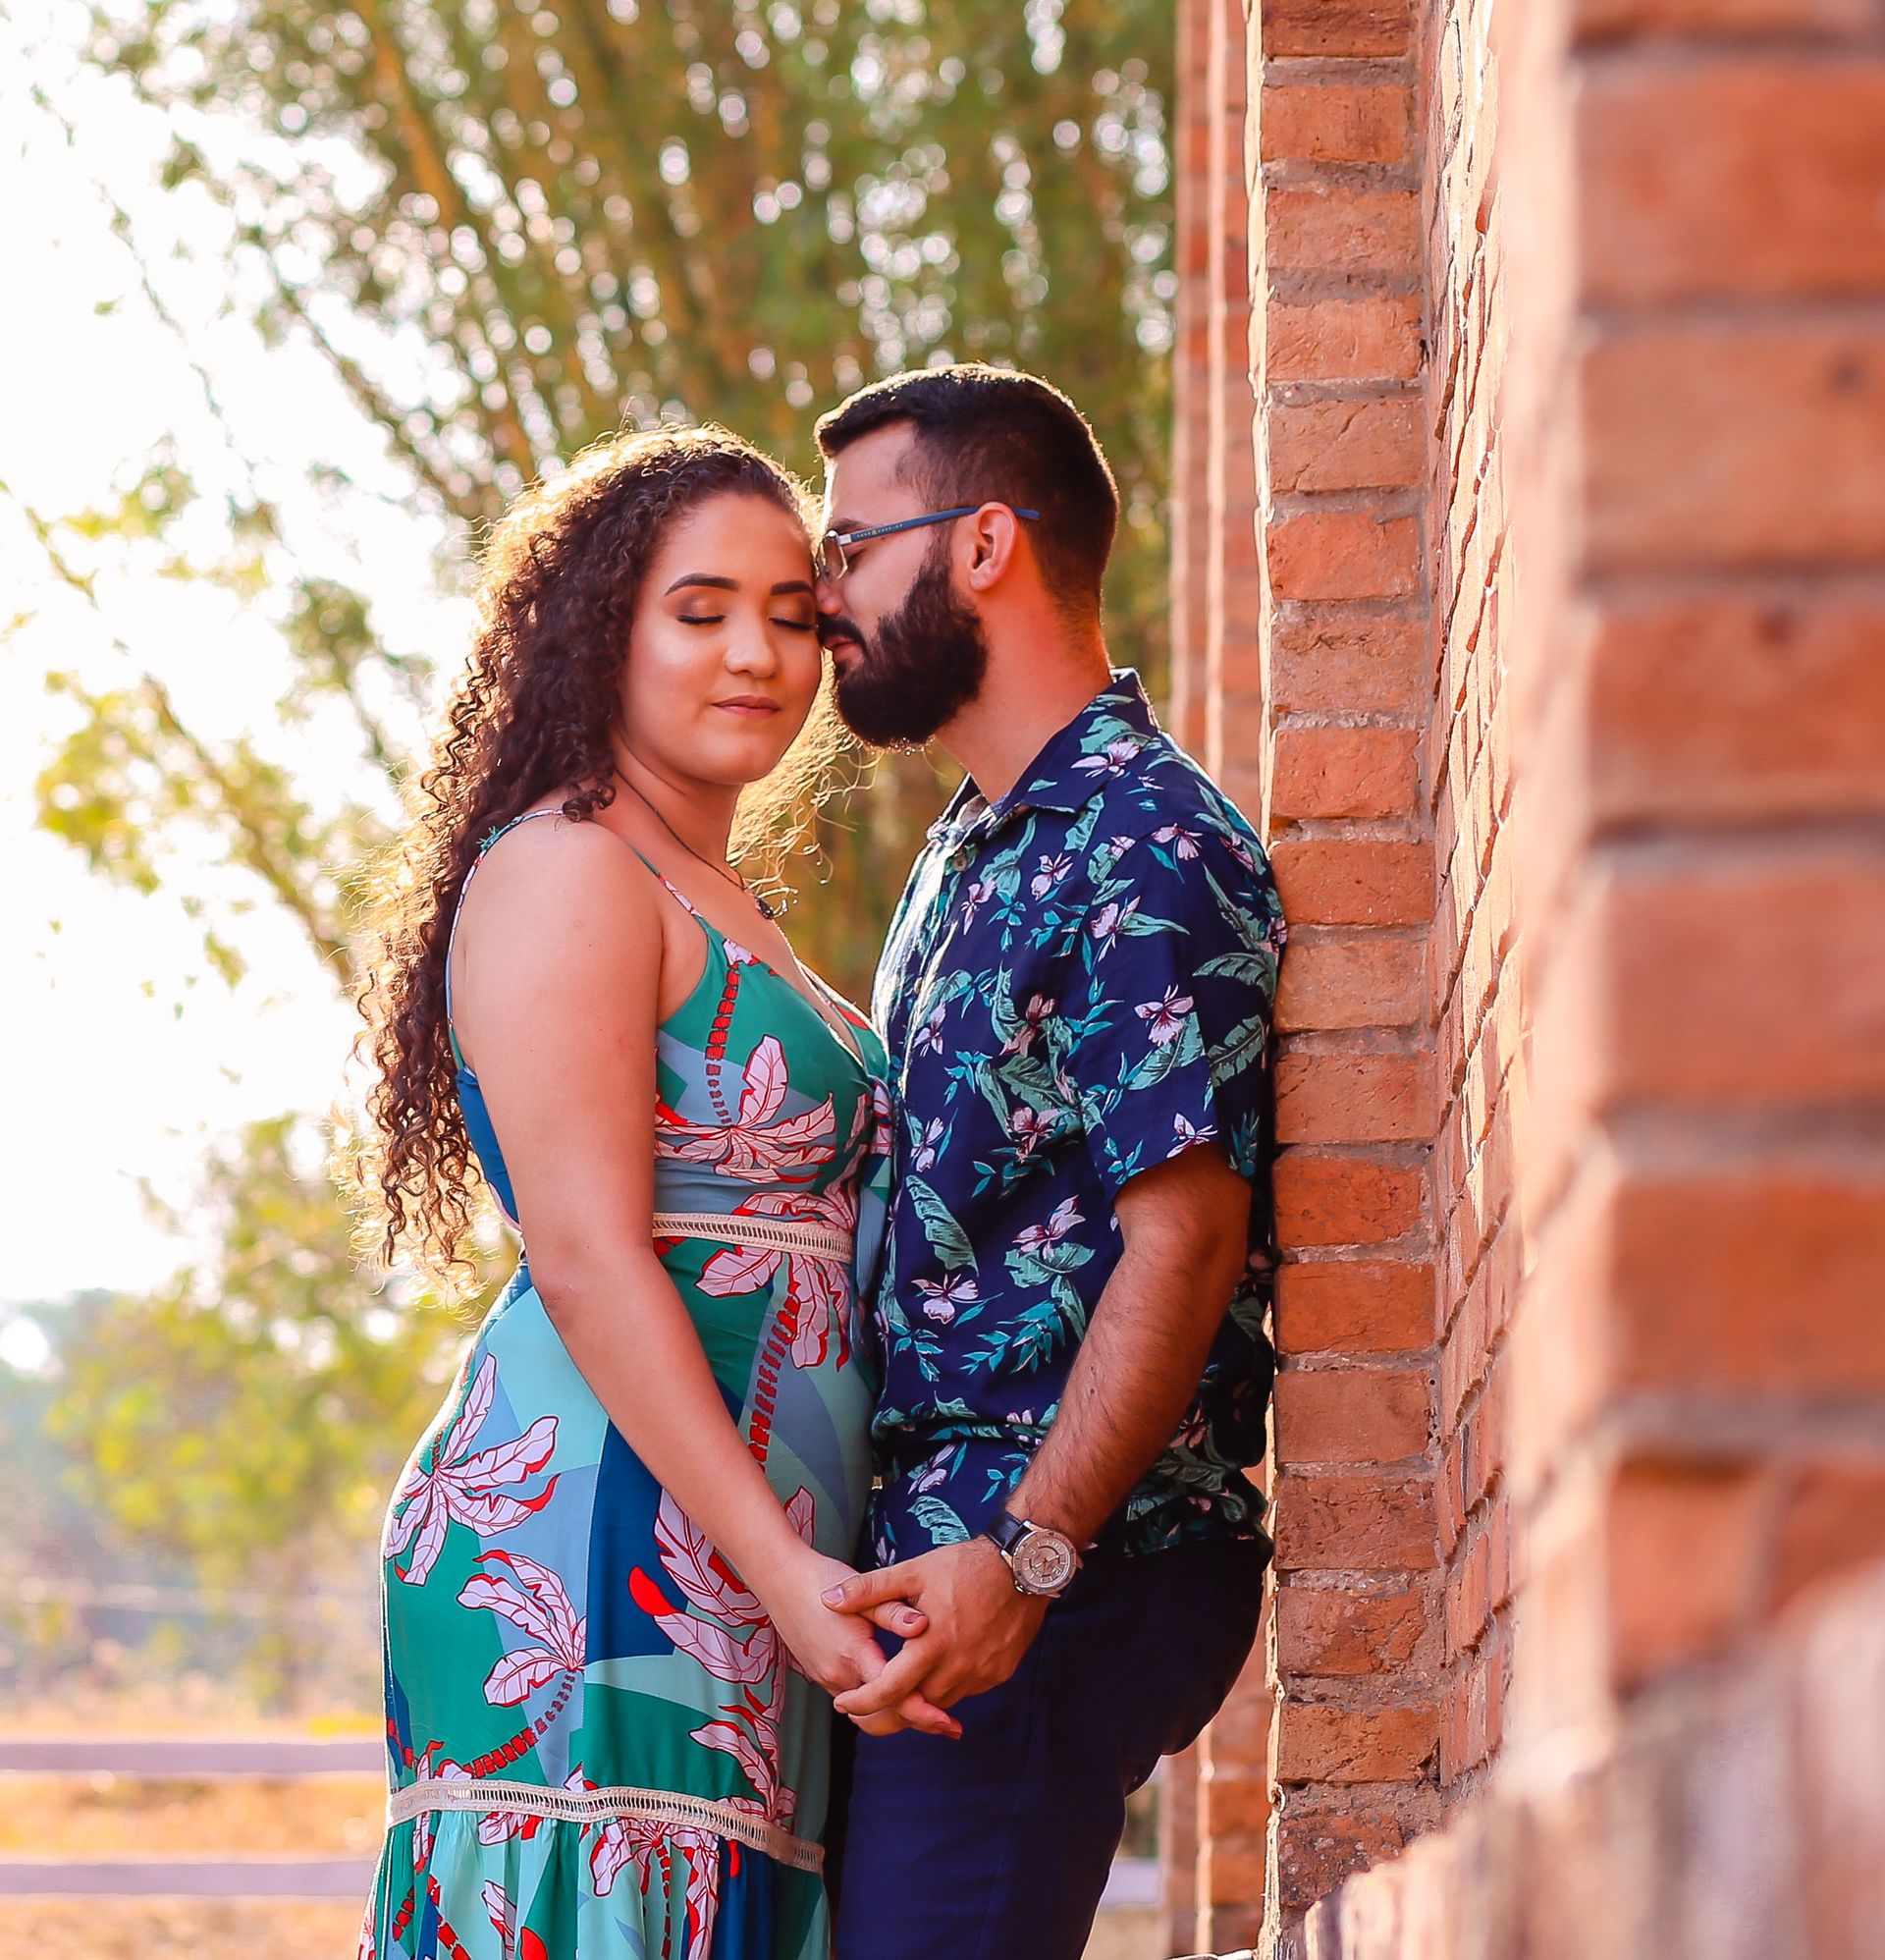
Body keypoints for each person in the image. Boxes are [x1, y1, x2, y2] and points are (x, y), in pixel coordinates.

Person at [351, 425, 949, 1960]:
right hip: (606, 1543)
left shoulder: (714, 890)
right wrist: (784, 1567)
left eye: (790, 614)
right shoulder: (569, 869)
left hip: (743, 1558)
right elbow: (590, 1258)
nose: (757, 651)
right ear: (595, 634)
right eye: (699, 612)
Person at [810, 364, 1288, 1960]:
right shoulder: (969, 844)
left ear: (987, 544)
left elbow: (1188, 1243)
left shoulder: (1142, 844)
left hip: (1057, 1580)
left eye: (854, 546)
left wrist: (1026, 1563)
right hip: (940, 1580)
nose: (826, 599)